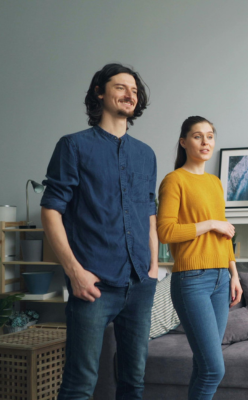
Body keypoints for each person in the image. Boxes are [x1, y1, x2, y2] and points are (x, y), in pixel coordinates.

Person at [41, 63, 158, 400]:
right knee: (80, 385)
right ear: (100, 93)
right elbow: (50, 210)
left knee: (134, 384)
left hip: (140, 284)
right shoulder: (73, 146)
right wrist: (74, 272)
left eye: (134, 90)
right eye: (121, 87)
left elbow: (149, 214)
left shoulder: (146, 154)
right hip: (92, 285)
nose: (130, 94)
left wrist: (152, 269)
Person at [157, 116, 243, 400]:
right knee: (213, 369)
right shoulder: (174, 180)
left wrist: (234, 274)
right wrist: (210, 224)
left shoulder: (215, 182)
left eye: (210, 136)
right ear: (183, 142)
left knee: (204, 365)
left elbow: (225, 234)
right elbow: (165, 232)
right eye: (197, 136)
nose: (205, 142)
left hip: (221, 279)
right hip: (192, 280)